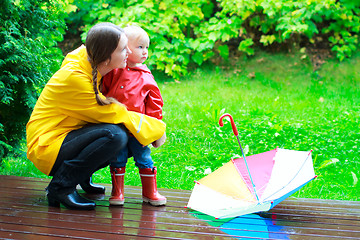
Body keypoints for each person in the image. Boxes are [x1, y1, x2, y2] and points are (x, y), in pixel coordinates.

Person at [26, 22, 166, 210]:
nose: (128, 53)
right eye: (123, 49)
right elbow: (114, 113)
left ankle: (81, 176)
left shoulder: (94, 62)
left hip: (67, 135)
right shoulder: (75, 78)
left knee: (129, 137)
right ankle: (61, 187)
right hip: (48, 145)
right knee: (115, 136)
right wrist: (156, 129)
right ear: (107, 57)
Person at [101, 25, 166, 206]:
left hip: (139, 128)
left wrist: (154, 126)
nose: (145, 52)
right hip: (118, 127)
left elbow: (154, 101)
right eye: (140, 47)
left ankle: (150, 192)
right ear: (124, 49)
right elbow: (102, 91)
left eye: (146, 47)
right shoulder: (113, 71)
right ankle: (117, 192)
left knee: (144, 157)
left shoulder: (145, 75)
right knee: (118, 158)